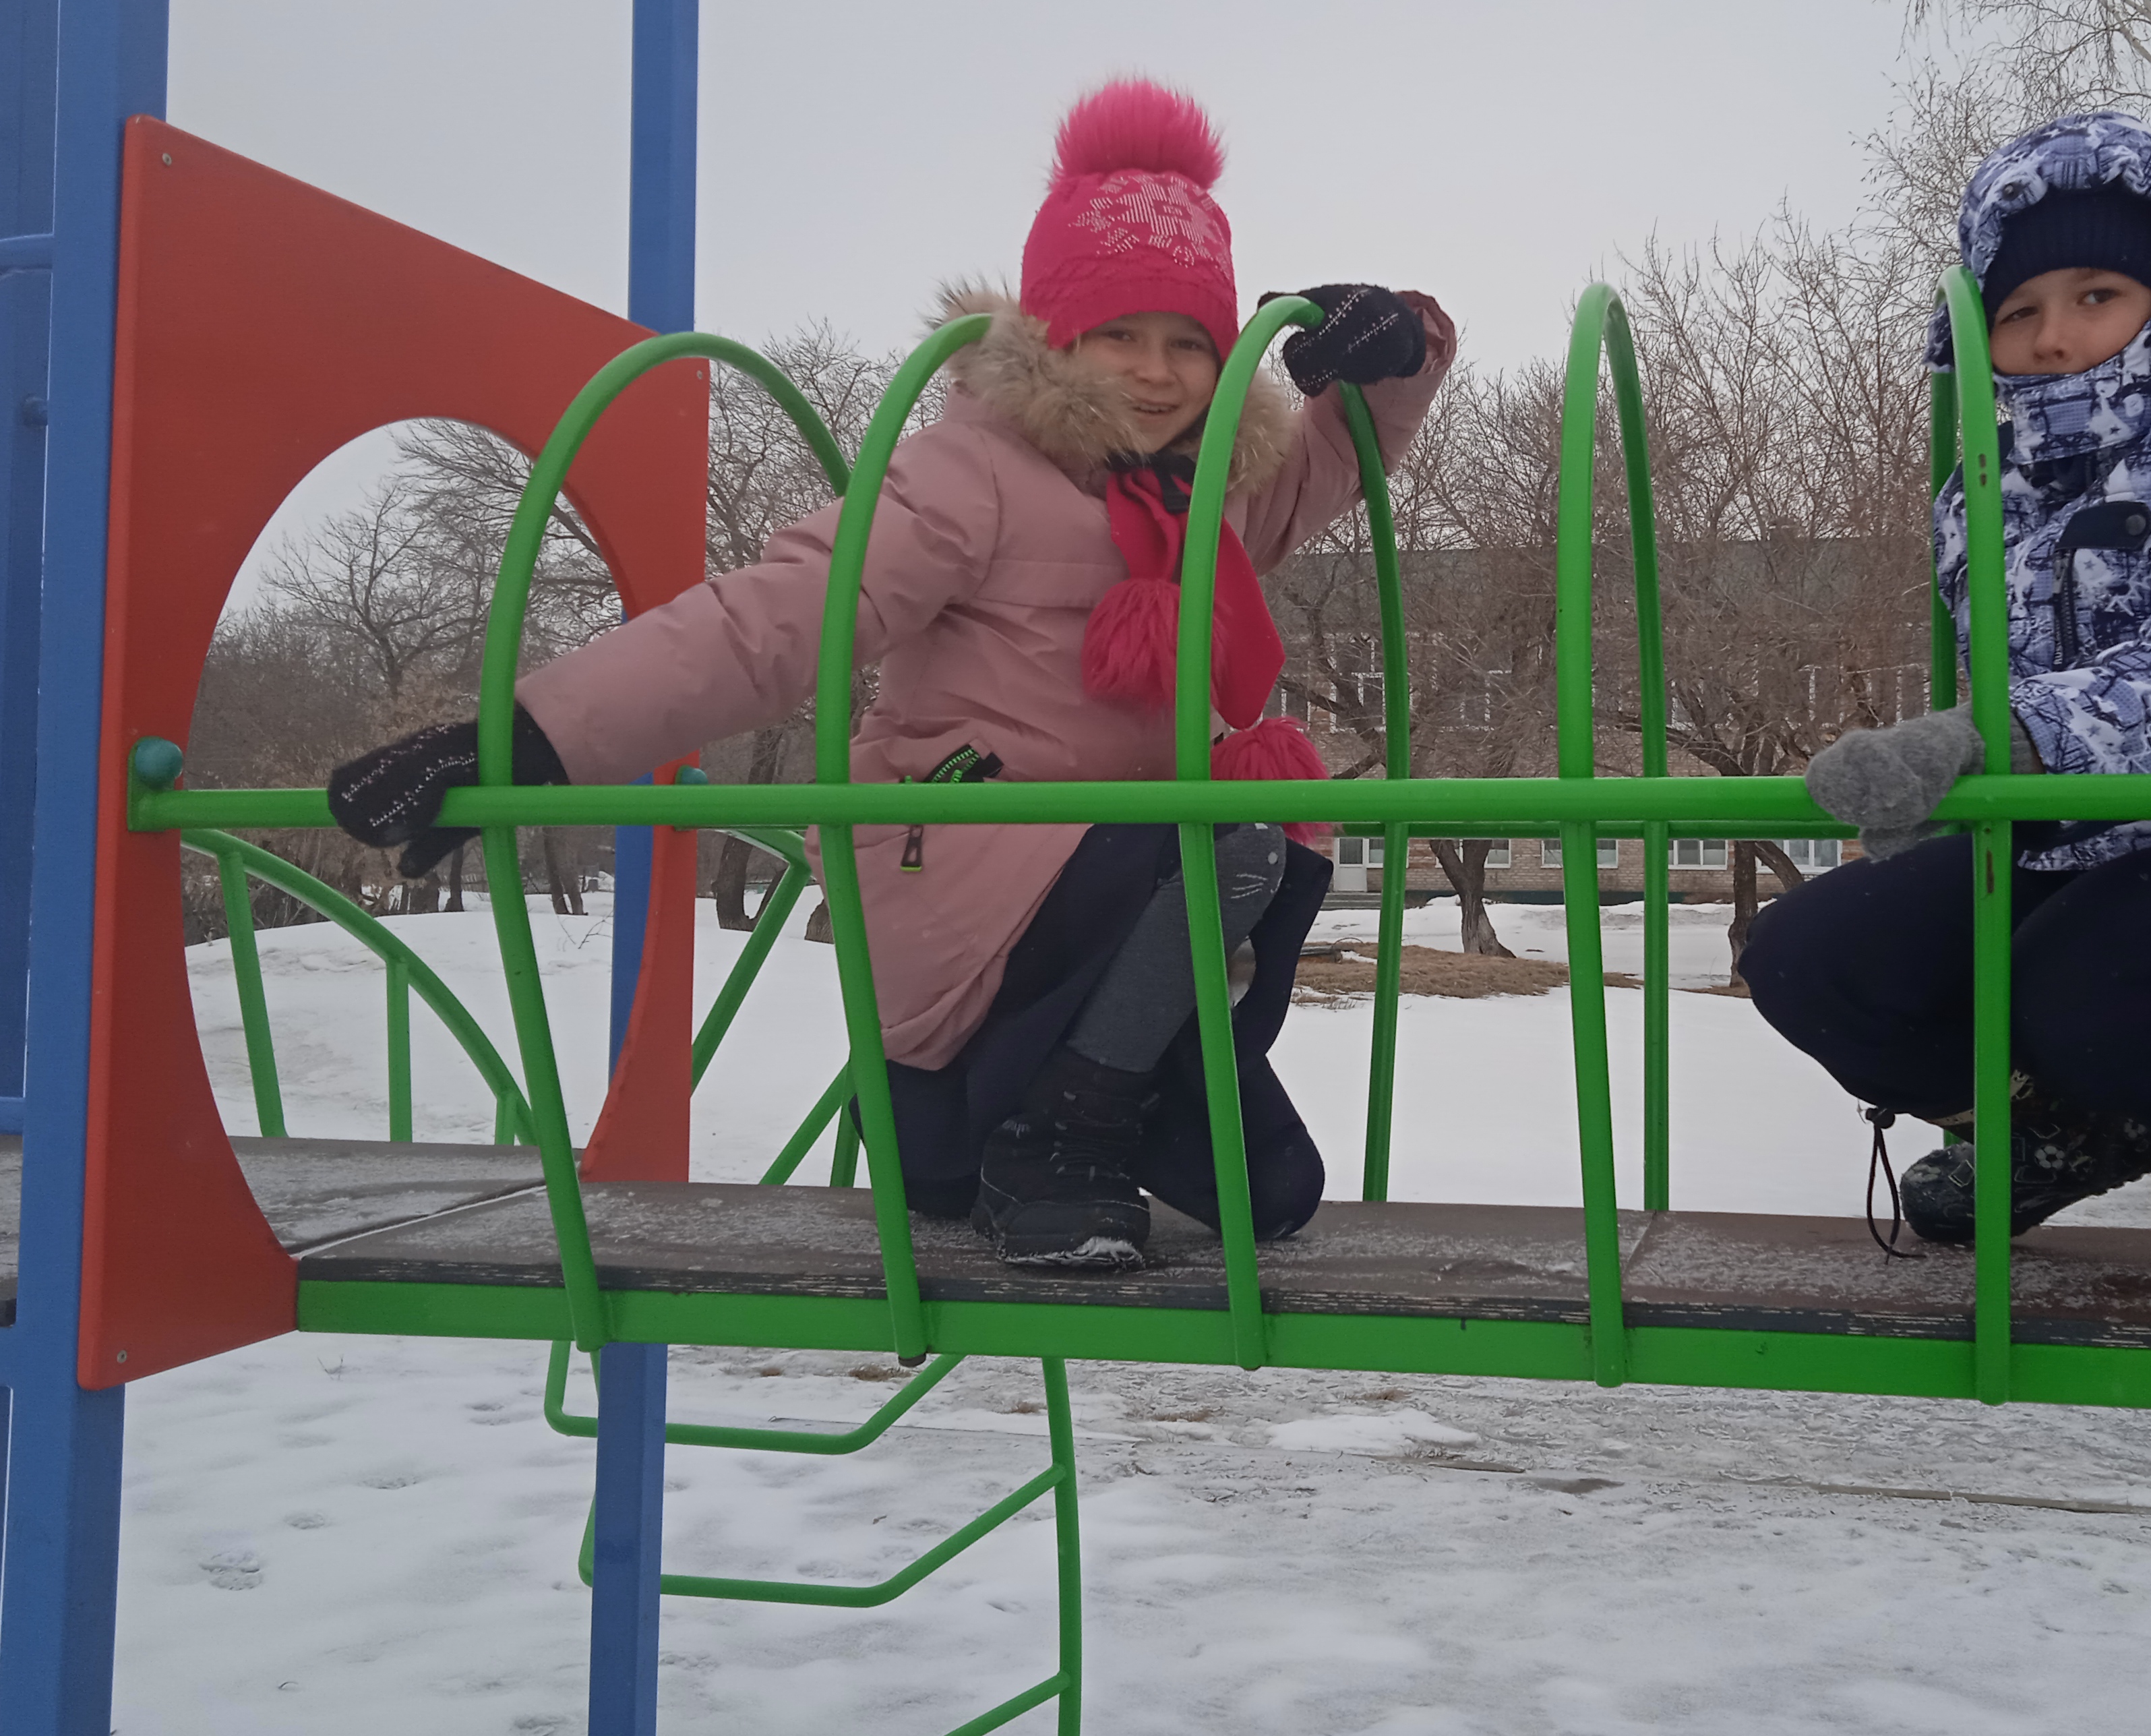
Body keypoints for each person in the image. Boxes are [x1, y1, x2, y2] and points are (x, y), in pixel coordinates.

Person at [328, 78, 1455, 1271]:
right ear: (1054, 337)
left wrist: (1392, 355)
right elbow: (770, 621)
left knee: (1276, 1192)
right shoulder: (971, 474)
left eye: (1190, 343)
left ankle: (1102, 1097)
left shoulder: (1208, 486)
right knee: (1234, 835)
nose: (1158, 371)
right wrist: (532, 737)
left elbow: (1343, 458)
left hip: (1113, 906)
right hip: (968, 868)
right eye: (1119, 332)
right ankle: (1056, 1138)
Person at [1739, 111, 2151, 1312]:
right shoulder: (1980, 497)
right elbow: (2011, 684)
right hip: (2083, 857)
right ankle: (2065, 1131)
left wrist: (1998, 744)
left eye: (2095, 293)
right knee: (1815, 955)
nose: (2053, 338)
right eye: (2017, 311)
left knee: (2087, 974)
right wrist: (1956, 793)